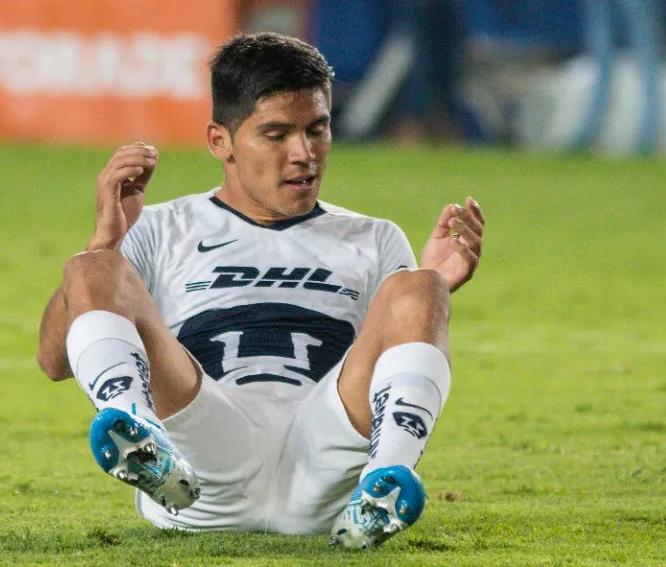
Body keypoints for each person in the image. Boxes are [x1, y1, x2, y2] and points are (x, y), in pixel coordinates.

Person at [37, 32, 485, 549]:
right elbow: (54, 361)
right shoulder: (160, 228)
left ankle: (384, 487)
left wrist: (432, 294)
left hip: (323, 464)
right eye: (276, 135)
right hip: (201, 462)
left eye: (317, 130)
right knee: (93, 265)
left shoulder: (374, 237)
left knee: (421, 285)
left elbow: (392, 356)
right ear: (219, 141)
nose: (304, 154)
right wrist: (106, 242)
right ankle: (140, 439)